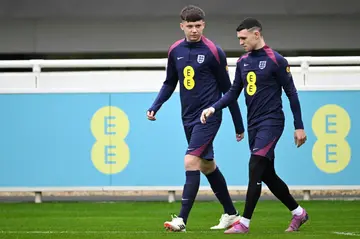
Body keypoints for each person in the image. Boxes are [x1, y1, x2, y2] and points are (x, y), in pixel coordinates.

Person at [200, 17, 309, 234]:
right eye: (238, 38)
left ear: (256, 34)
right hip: (254, 125)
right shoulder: (243, 62)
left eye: (243, 37)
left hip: (272, 122)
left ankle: (244, 223)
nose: (240, 42)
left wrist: (299, 126)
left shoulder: (276, 60)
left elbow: (292, 94)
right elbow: (233, 93)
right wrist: (214, 107)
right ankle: (298, 213)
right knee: (267, 174)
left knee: (254, 167)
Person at [147, 5, 245, 232]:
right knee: (208, 165)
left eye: (198, 25)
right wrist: (155, 106)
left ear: (204, 25)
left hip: (208, 116)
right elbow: (170, 82)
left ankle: (181, 219)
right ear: (182, 26)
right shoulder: (175, 50)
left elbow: (227, 89)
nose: (194, 30)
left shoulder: (214, 51)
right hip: (187, 117)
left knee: (190, 160)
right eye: (189, 26)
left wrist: (238, 124)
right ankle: (231, 214)